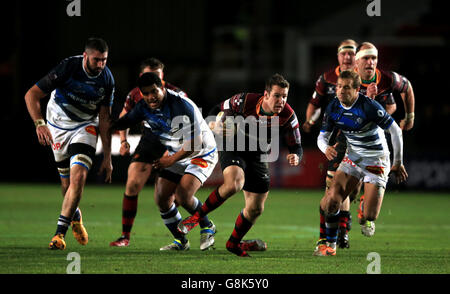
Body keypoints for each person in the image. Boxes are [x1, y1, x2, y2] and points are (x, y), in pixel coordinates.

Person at [177, 74, 303, 257]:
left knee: (255, 209)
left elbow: (297, 146)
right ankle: (196, 218)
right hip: (233, 146)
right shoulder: (244, 101)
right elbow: (216, 109)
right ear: (266, 94)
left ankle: (233, 243)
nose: (281, 100)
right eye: (277, 95)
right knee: (234, 183)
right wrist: (215, 124)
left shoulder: (288, 115)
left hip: (258, 155)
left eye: (284, 96)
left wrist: (296, 156)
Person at [24, 37, 115, 250]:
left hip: (85, 126)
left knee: (79, 177)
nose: (101, 65)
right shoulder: (68, 67)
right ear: (85, 56)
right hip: (57, 125)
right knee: (66, 186)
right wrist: (39, 123)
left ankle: (59, 234)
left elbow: (104, 118)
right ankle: (76, 217)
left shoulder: (107, 79)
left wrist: (108, 156)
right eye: (96, 60)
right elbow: (32, 94)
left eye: (104, 60)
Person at [111, 72, 218, 251]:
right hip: (177, 154)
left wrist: (169, 160)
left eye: (154, 91)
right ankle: (181, 241)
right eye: (146, 94)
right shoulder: (143, 107)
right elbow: (123, 122)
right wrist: (104, 123)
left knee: (183, 195)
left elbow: (195, 144)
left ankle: (208, 226)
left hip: (201, 153)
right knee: (162, 198)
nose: (151, 97)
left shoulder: (181, 105)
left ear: (162, 86)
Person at [314, 70, 407, 256]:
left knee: (369, 216)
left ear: (357, 89)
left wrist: (398, 162)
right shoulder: (333, 107)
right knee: (332, 200)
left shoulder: (369, 106)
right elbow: (321, 137)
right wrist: (325, 148)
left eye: (346, 87)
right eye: (339, 87)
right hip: (353, 157)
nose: (341, 91)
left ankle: (365, 207)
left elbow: (396, 131)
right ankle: (330, 246)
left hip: (377, 159)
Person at [110, 58, 187, 247]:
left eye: (157, 78)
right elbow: (124, 117)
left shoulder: (177, 95)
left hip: (174, 142)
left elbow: (189, 125)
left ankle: (187, 233)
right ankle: (125, 237)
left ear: (163, 79)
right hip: (150, 141)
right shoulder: (136, 94)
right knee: (132, 184)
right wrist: (123, 140)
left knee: (171, 197)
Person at [302, 39, 359, 249]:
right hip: (338, 139)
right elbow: (315, 103)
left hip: (363, 142)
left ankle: (344, 221)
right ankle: (335, 234)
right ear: (338, 56)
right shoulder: (326, 80)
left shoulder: (366, 77)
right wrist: (310, 120)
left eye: (351, 53)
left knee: (351, 190)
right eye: (344, 53)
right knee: (335, 189)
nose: (348, 57)